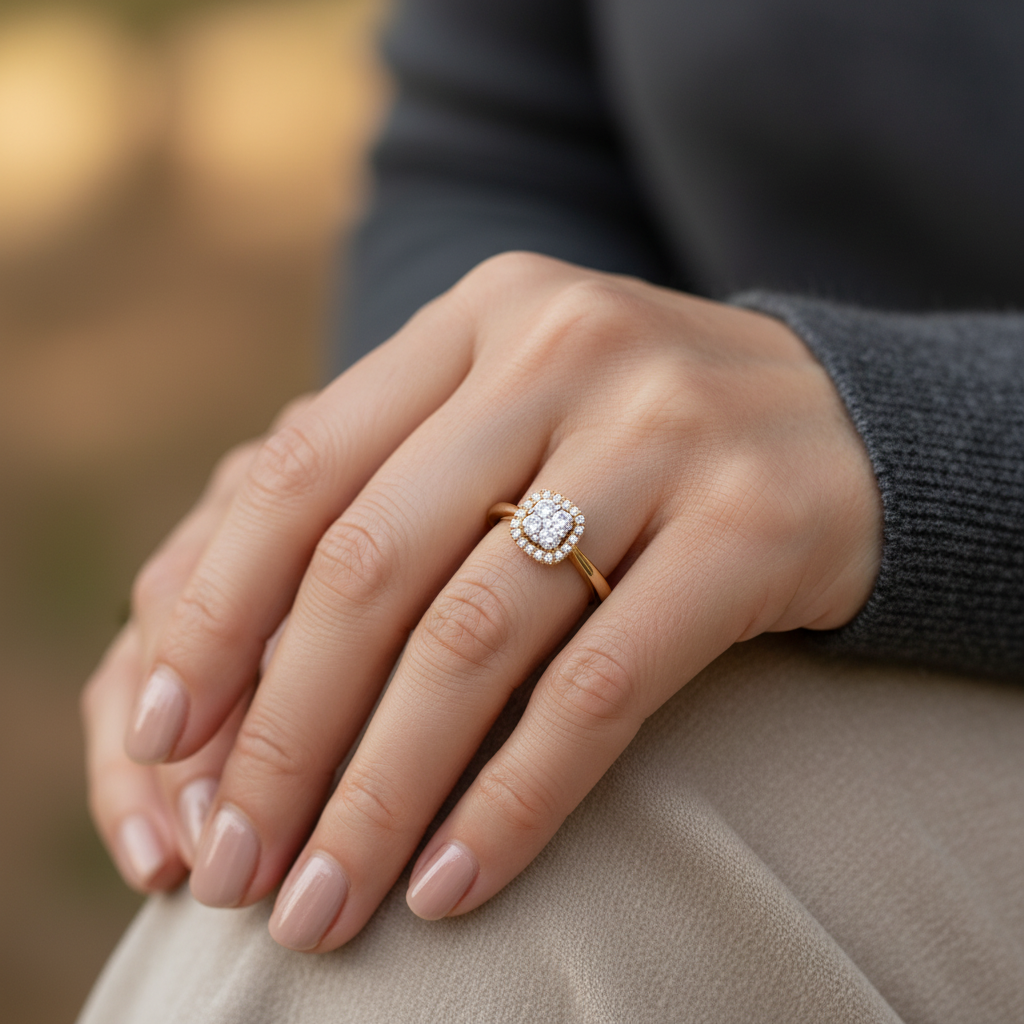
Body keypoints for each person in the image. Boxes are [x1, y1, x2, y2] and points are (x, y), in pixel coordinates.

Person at [77, 1, 1024, 1021]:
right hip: (718, 536)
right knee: (357, 775)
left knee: (491, 928)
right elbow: (499, 141)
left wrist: (907, 429)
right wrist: (410, 475)